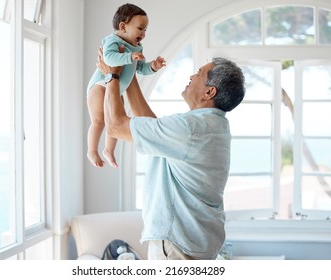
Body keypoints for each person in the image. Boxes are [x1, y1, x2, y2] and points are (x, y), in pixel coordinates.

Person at [99, 46, 245, 259]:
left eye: (199, 74)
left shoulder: (190, 128)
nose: (191, 76)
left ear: (209, 92)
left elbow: (115, 126)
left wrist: (112, 75)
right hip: (196, 242)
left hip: (179, 244)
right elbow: (151, 126)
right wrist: (128, 74)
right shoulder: (213, 126)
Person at [86, 3, 166, 168]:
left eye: (145, 30)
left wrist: (153, 66)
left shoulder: (136, 47)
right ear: (122, 26)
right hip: (100, 86)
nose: (143, 34)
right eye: (140, 28)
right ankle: (92, 150)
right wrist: (130, 57)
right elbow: (109, 59)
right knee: (99, 121)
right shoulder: (112, 40)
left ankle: (108, 150)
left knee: (115, 119)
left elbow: (140, 68)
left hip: (116, 88)